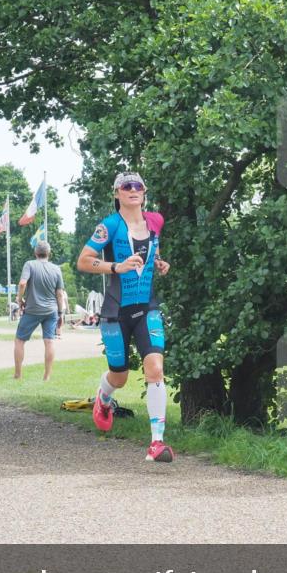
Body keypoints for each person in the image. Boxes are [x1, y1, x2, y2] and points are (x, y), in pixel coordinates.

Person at [76, 170, 174, 462]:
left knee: (155, 366)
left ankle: (157, 443)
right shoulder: (108, 226)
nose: (133, 190)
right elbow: (83, 261)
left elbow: (148, 248)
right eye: (126, 186)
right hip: (115, 312)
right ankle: (104, 398)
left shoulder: (156, 220)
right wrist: (115, 267)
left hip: (147, 307)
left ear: (144, 192)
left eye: (138, 186)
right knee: (119, 376)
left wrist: (157, 262)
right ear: (117, 193)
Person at [14, 240, 65, 381]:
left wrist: (19, 299)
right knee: (49, 342)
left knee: (19, 341)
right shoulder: (56, 269)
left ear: (35, 253)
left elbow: (22, 283)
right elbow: (59, 293)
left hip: (32, 310)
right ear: (49, 253)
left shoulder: (29, 264)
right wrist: (60, 313)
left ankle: (18, 375)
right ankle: (47, 376)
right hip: (51, 311)